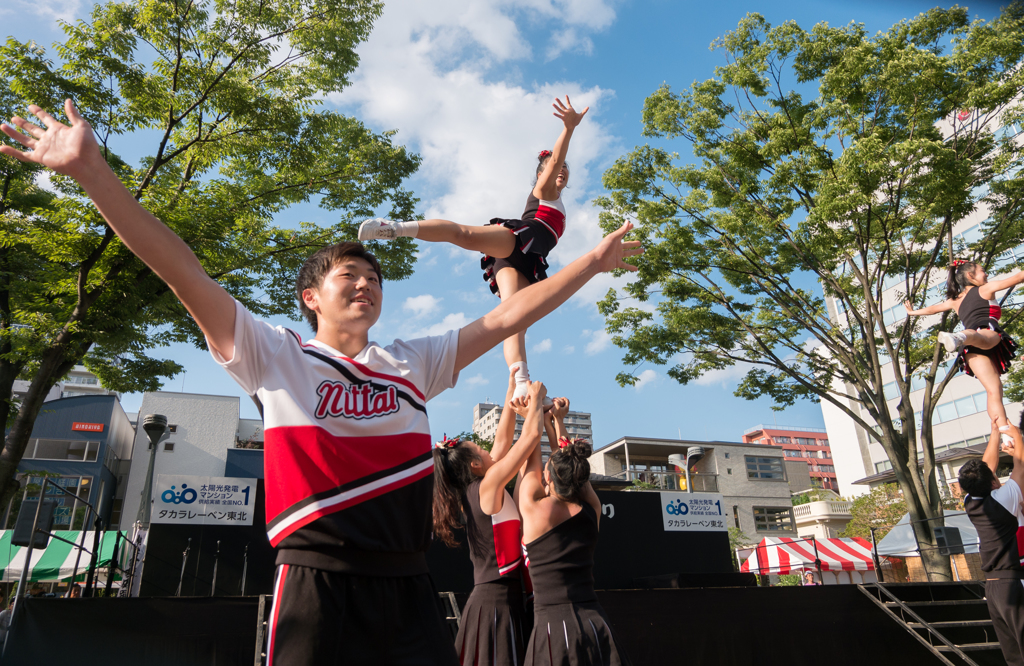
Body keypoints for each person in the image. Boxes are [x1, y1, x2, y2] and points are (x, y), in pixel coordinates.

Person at [0, 100, 641, 666]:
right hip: (316, 582)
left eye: (375, 277)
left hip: (408, 587)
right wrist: (93, 172)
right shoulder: (273, 355)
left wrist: (593, 261)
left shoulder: (412, 362)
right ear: (311, 296)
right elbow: (182, 271)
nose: (365, 283)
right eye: (347, 276)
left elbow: (509, 314)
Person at [358, 96, 587, 400]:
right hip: (520, 239)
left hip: (532, 260)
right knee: (464, 234)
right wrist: (568, 129)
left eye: (564, 172)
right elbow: (556, 160)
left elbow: (558, 164)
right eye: (552, 169)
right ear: (541, 173)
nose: (560, 172)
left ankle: (520, 384)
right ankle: (396, 228)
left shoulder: (560, 201)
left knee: (513, 319)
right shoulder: (543, 190)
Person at [433, 373, 545, 666]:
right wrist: (536, 403)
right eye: (482, 450)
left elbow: (504, 438)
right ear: (475, 465)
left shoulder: (481, 484)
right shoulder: (487, 485)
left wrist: (511, 386)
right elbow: (529, 438)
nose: (490, 450)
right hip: (496, 602)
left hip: (501, 599)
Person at [517, 397, 631, 666]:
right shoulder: (592, 510)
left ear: (547, 478)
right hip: (595, 623)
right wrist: (556, 422)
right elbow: (574, 473)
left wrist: (534, 416)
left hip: (552, 629)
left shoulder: (535, 511)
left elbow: (531, 457)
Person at [904, 260, 1023, 442]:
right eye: (983, 271)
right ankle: (958, 336)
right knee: (983, 337)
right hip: (983, 331)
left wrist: (913, 313)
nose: (987, 274)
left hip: (969, 350)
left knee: (994, 390)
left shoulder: (955, 301)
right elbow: (1018, 277)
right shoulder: (985, 289)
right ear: (970, 275)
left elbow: (933, 309)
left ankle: (1005, 435)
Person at [959, 418, 1024, 665]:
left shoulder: (971, 502)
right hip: (1012, 582)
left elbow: (986, 469)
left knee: (1013, 654)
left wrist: (995, 433)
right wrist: (1017, 437)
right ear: (994, 482)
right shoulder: (1004, 500)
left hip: (992, 588)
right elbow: (1020, 466)